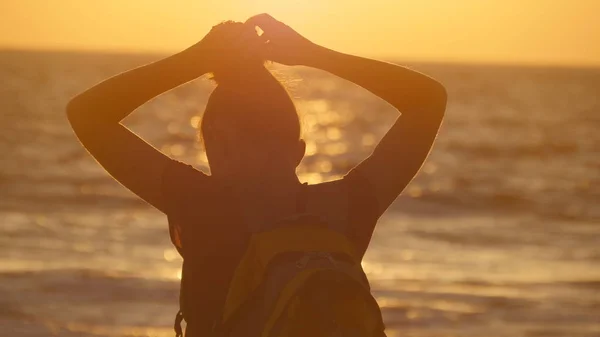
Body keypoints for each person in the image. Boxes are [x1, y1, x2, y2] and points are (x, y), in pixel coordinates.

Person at [66, 14, 446, 337]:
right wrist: (314, 55)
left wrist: (197, 59)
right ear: (299, 152)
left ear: (216, 148)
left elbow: (87, 114)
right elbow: (428, 100)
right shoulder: (346, 207)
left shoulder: (201, 205)